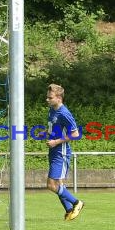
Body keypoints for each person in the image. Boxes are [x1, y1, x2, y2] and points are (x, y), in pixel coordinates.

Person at [45, 83, 84, 221]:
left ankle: (76, 203)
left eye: (50, 98)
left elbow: (75, 134)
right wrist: (45, 133)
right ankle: (68, 210)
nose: (47, 100)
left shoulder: (64, 113)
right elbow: (54, 129)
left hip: (61, 152)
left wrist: (55, 142)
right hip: (53, 151)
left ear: (59, 98)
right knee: (59, 184)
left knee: (51, 185)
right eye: (47, 97)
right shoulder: (52, 110)